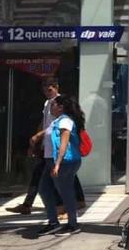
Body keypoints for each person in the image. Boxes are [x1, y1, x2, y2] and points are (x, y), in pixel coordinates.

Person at [7, 77, 85, 216]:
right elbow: (45, 123)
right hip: (47, 145)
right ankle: (74, 202)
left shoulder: (60, 104)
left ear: (56, 87)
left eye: (50, 89)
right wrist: (37, 139)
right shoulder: (47, 103)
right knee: (51, 176)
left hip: (55, 147)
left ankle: (65, 206)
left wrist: (38, 137)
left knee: (55, 177)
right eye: (44, 89)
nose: (47, 92)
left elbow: (56, 126)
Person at [35, 95, 85, 236]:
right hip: (50, 161)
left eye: (53, 105)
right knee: (44, 189)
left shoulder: (66, 122)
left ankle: (73, 224)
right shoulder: (56, 121)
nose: (51, 107)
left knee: (65, 191)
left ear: (60, 107)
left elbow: (64, 143)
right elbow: (49, 135)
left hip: (63, 162)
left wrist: (57, 164)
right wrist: (37, 137)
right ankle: (53, 222)